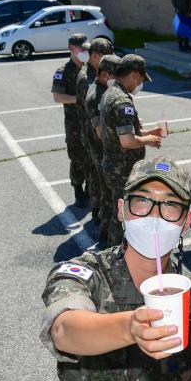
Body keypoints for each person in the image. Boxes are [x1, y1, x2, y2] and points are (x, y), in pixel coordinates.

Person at [40, 156, 191, 381]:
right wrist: (130, 328)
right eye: (142, 202)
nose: (154, 216)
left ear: (186, 221)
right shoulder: (87, 274)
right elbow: (64, 330)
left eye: (170, 205)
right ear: (122, 210)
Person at [100, 54, 164, 247]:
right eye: (142, 79)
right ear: (135, 75)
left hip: (113, 164)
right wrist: (149, 140)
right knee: (124, 215)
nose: (141, 84)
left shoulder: (111, 92)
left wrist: (149, 132)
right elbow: (128, 141)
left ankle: (112, 247)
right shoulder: (122, 102)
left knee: (116, 209)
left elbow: (122, 131)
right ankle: (117, 253)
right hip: (123, 169)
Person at [76, 37, 114, 225]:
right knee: (97, 173)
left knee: (98, 172)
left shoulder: (96, 72)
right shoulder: (87, 79)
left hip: (97, 130)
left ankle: (98, 210)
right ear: (96, 56)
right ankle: (98, 211)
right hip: (92, 133)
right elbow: (94, 109)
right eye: (106, 57)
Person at [85, 54, 121, 248]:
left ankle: (104, 230)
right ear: (106, 74)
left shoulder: (105, 90)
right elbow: (100, 133)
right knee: (108, 195)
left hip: (106, 150)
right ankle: (105, 235)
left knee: (108, 194)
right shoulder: (96, 96)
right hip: (103, 151)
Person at [51, 33, 91, 208]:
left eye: (86, 49)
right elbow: (58, 97)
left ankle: (91, 188)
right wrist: (80, 98)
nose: (85, 52)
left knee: (92, 157)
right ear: (72, 49)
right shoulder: (63, 72)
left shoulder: (90, 69)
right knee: (77, 158)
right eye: (82, 49)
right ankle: (78, 189)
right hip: (74, 124)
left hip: (90, 121)